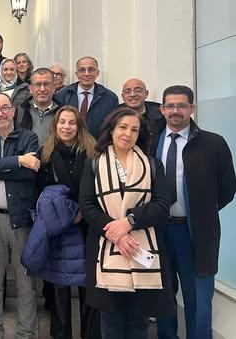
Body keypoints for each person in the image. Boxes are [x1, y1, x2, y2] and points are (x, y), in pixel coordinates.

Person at [79, 108, 173, 339]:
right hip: (106, 249)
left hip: (143, 250)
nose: (128, 134)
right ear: (111, 130)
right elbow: (88, 206)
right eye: (122, 127)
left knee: (138, 323)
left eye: (134, 130)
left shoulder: (153, 165)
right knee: (110, 322)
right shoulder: (94, 164)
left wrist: (130, 221)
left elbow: (162, 204)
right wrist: (117, 234)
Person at [156, 85, 236, 339]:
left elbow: (227, 188)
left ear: (192, 108)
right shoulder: (150, 141)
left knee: (199, 299)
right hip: (158, 231)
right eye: (170, 106)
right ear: (162, 109)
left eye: (181, 105)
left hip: (195, 233)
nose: (175, 111)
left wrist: (201, 212)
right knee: (162, 294)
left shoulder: (213, 143)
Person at [0, 93, 41, 339]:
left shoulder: (28, 137)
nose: (0, 113)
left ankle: (26, 334)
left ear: (13, 111)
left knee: (25, 283)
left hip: (21, 219)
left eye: (4, 108)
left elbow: (30, 174)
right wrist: (19, 160)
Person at [35, 106, 99, 339]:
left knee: (88, 286)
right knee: (59, 287)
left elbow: (100, 188)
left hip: (87, 225)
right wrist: (67, 213)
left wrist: (82, 211)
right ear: (55, 125)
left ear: (79, 126)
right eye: (62, 122)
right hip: (59, 226)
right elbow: (42, 190)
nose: (66, 127)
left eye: (72, 122)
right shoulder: (45, 153)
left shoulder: (93, 152)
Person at [55, 56, 118, 138]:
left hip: (97, 144)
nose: (87, 74)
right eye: (82, 70)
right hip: (68, 144)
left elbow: (112, 127)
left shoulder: (110, 98)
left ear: (97, 73)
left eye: (91, 69)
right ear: (76, 74)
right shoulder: (62, 95)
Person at [118, 78, 165, 156]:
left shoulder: (161, 115)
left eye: (138, 90)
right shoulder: (114, 116)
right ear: (122, 96)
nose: (132, 94)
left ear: (146, 94)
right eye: (128, 91)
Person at [16, 67, 60, 146]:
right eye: (38, 85)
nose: (42, 89)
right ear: (30, 89)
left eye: (46, 84)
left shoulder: (62, 112)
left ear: (54, 88)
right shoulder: (19, 112)